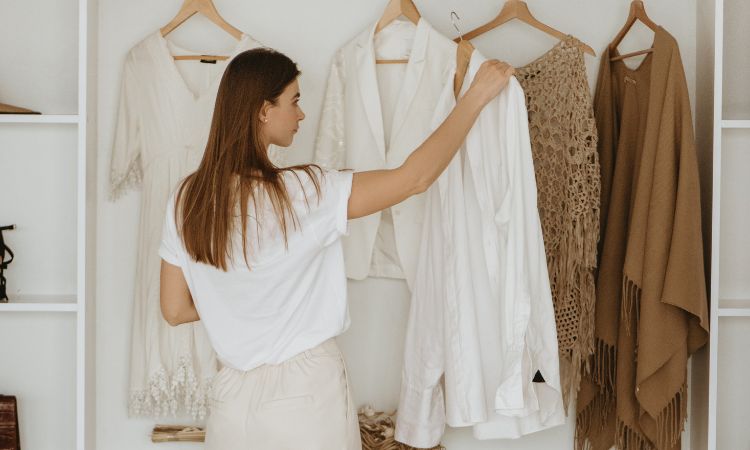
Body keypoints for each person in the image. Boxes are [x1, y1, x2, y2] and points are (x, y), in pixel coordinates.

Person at [158, 47, 514, 449]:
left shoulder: (186, 199)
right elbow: (414, 178)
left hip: (230, 402)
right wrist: (476, 97)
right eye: (294, 100)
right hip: (305, 399)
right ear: (263, 110)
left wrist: (239, 305)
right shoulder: (304, 193)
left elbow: (174, 309)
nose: (301, 114)